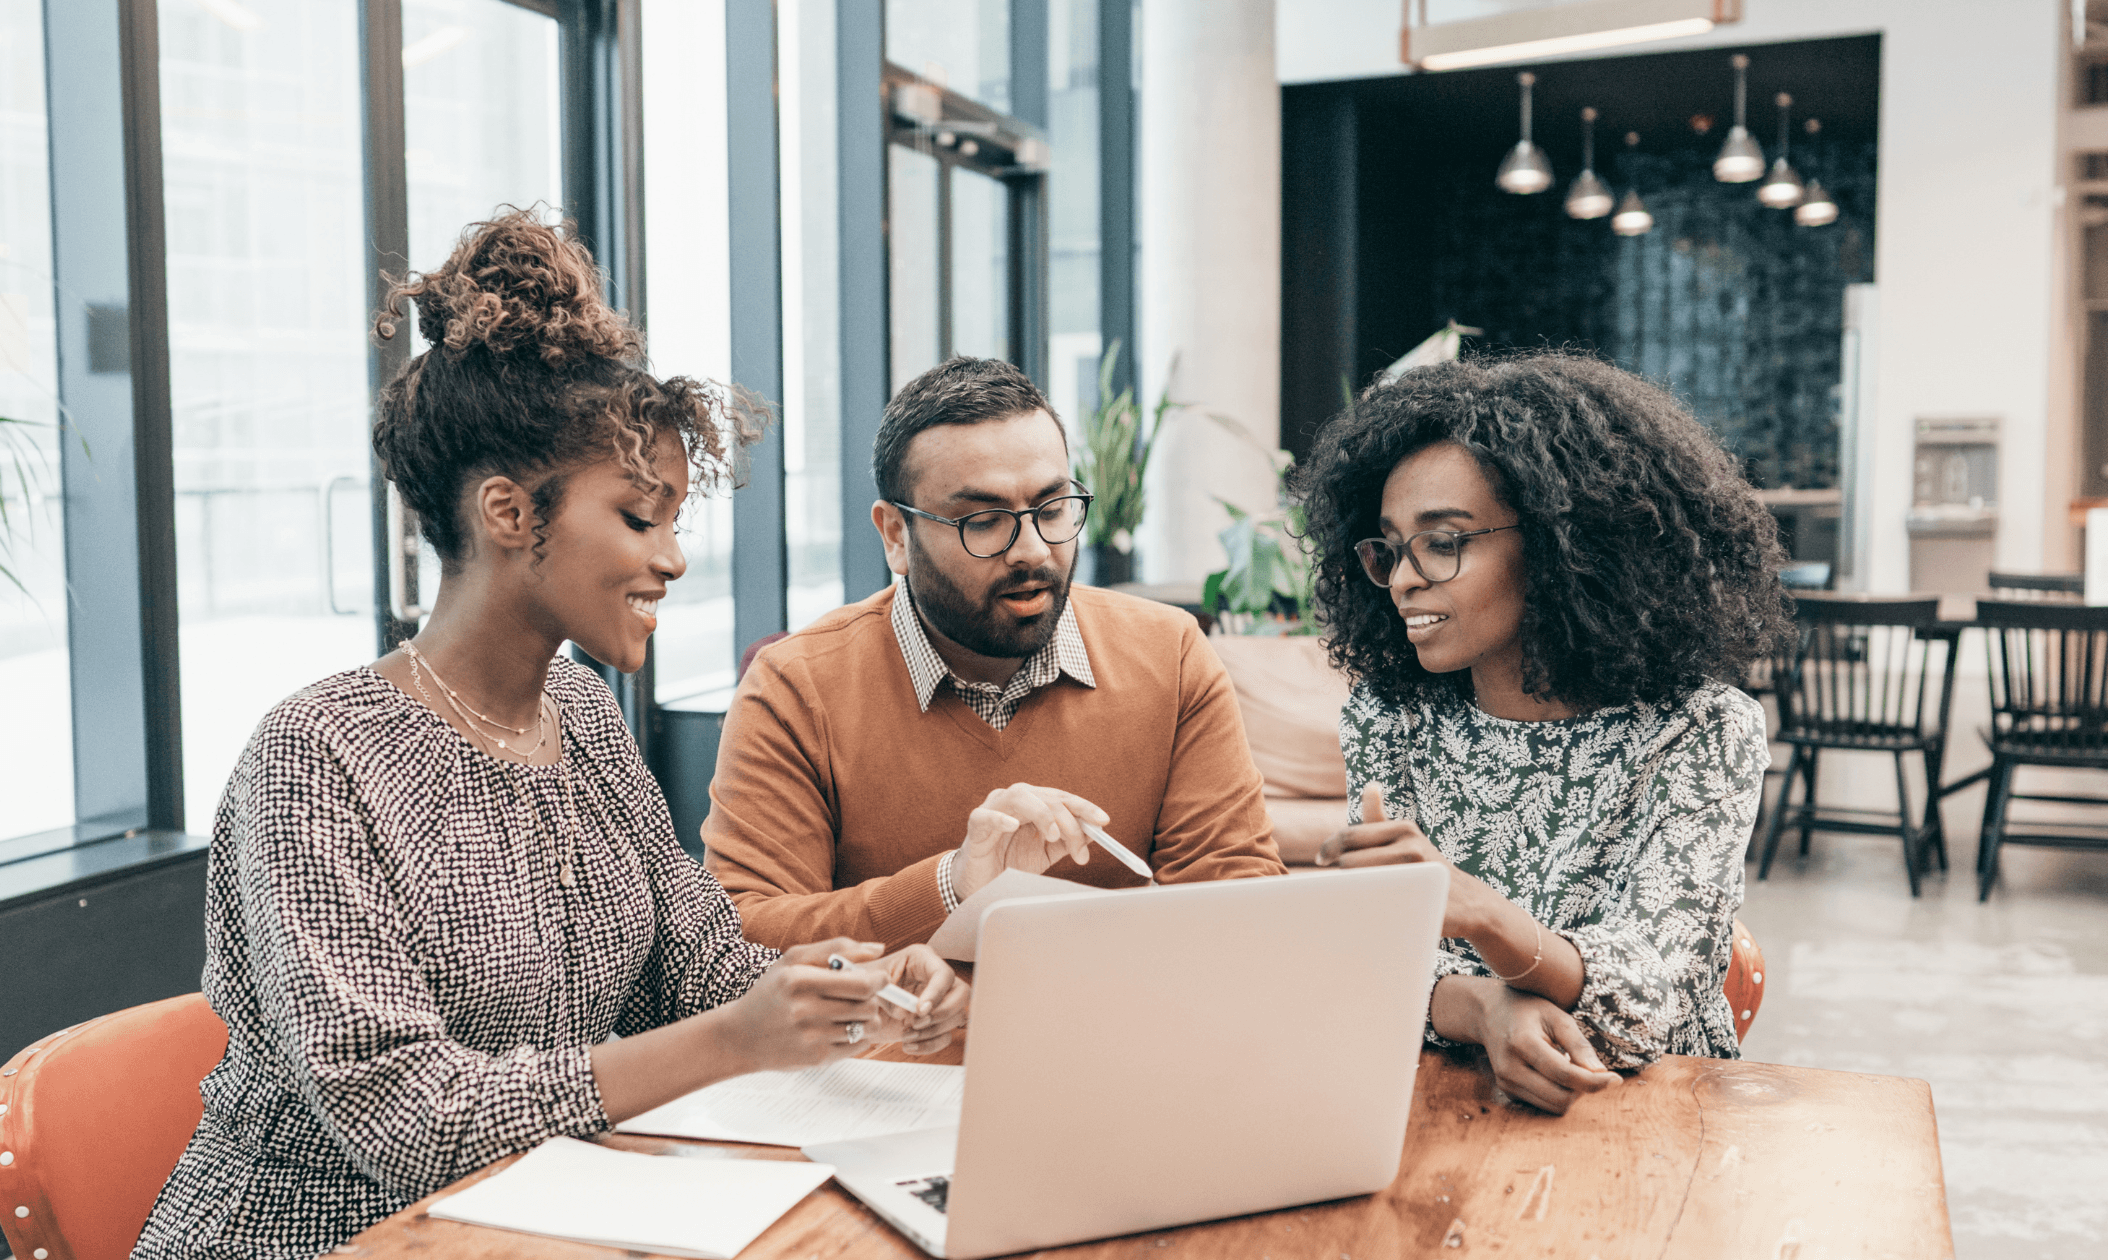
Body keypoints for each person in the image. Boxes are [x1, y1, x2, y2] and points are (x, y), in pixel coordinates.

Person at [133, 212, 967, 1260]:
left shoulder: (581, 717)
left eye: (673, 521)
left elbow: (699, 970)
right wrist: (732, 1040)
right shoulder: (314, 757)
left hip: (541, 1213)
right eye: (636, 517)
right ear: (507, 513)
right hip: (325, 1238)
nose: (671, 559)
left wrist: (854, 982)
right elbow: (413, 1118)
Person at [1297, 352, 1787, 1115]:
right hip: (1442, 1094)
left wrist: (1483, 917)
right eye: (1388, 548)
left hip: (1647, 1111)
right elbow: (1376, 965)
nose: (1401, 578)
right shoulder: (1391, 720)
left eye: (1444, 540)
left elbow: (1643, 1005)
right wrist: (1489, 1011)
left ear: (1566, 546)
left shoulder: (1702, 731)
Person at [705, 356, 1285, 950]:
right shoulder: (795, 687)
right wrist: (951, 887)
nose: (1033, 551)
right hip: (892, 1043)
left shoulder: (1172, 654)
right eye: (984, 520)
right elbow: (742, 939)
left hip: (1123, 1031)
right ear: (895, 536)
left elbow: (1236, 896)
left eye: (1053, 508)